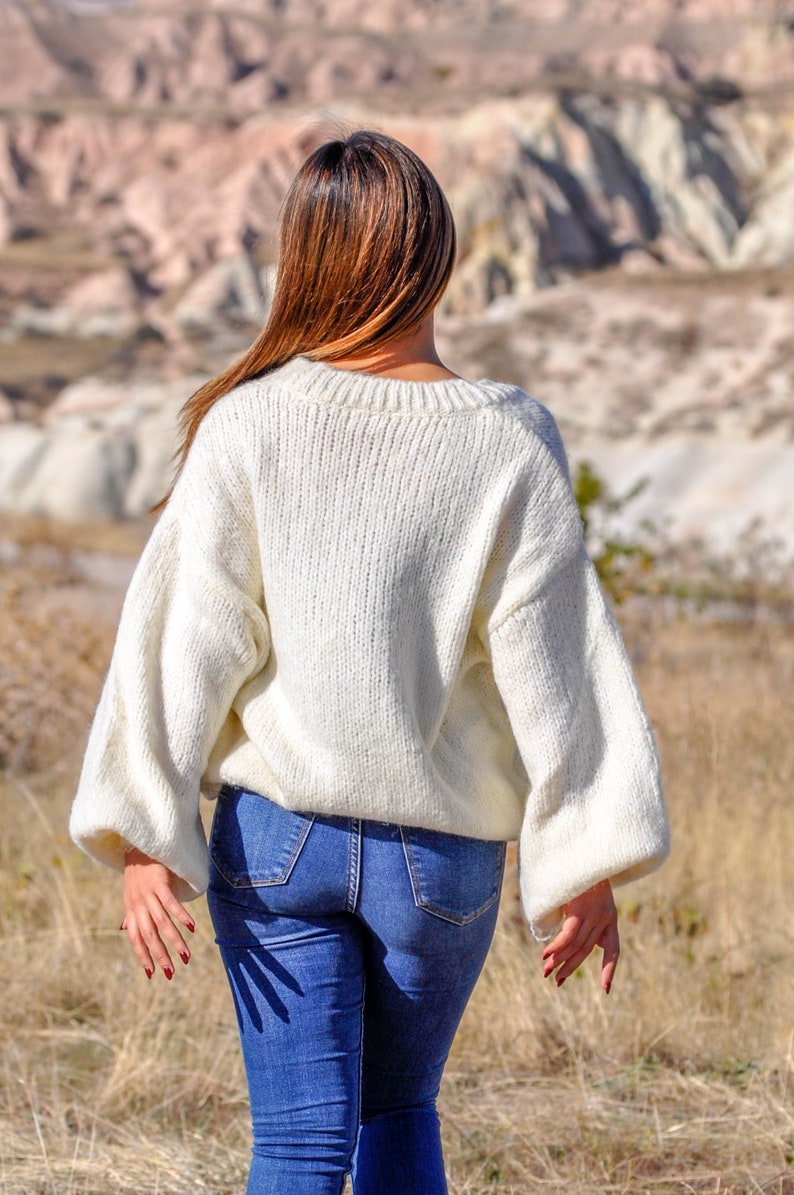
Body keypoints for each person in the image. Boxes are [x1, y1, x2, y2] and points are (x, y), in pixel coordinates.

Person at [70, 129, 669, 1195]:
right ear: (435, 255)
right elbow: (557, 661)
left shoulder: (247, 424)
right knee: (399, 1117)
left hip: (275, 842)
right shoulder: (506, 436)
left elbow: (187, 636)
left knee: (297, 1150)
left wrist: (142, 832)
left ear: (303, 258)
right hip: (436, 866)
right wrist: (587, 853)